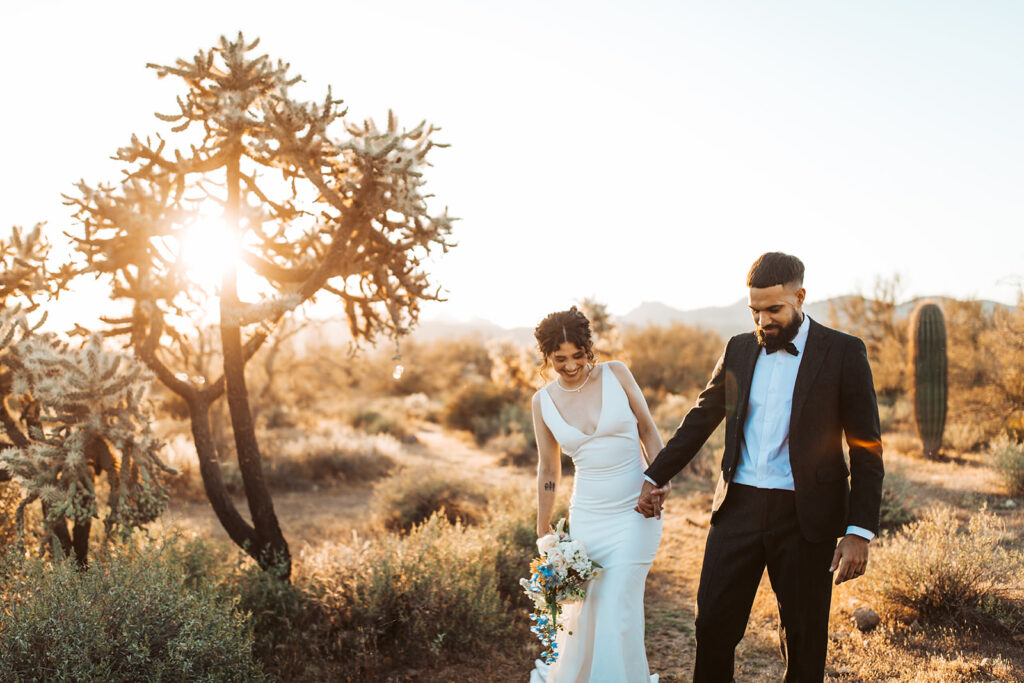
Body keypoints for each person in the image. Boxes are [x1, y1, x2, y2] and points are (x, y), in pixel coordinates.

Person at [636, 252, 884, 682]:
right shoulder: (738, 348)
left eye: (774, 309)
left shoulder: (843, 352)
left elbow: (866, 448)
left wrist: (858, 530)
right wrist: (655, 474)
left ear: (800, 297)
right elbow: (700, 418)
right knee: (711, 624)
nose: (763, 321)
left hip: (807, 516)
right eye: (755, 311)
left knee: (804, 638)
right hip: (738, 508)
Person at [529, 306, 667, 683]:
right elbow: (549, 468)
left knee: (618, 603)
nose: (571, 365)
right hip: (588, 517)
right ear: (547, 357)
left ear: (589, 348)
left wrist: (659, 477)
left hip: (636, 510)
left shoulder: (616, 374)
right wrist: (544, 527)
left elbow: (649, 431)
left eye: (578, 355)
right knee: (587, 611)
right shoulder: (542, 402)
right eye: (560, 359)